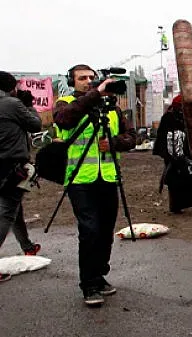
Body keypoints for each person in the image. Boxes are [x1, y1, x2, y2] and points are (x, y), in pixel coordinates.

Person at [53, 64, 136, 306]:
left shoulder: (111, 108)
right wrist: (94, 95)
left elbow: (132, 138)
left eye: (91, 78)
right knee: (89, 229)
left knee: (105, 230)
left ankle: (99, 275)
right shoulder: (66, 102)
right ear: (72, 81)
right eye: (82, 78)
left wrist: (114, 143)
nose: (87, 81)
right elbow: (65, 121)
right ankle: (88, 284)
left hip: (108, 177)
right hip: (80, 178)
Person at [0, 72, 43, 280]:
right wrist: (28, 105)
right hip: (11, 166)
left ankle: (27, 246)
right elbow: (35, 125)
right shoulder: (10, 104)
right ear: (11, 87)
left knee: (15, 208)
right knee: (7, 211)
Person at [153, 95, 192, 214]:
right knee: (175, 182)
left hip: (190, 154)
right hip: (173, 155)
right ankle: (176, 206)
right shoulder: (168, 118)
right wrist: (170, 155)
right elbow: (163, 139)